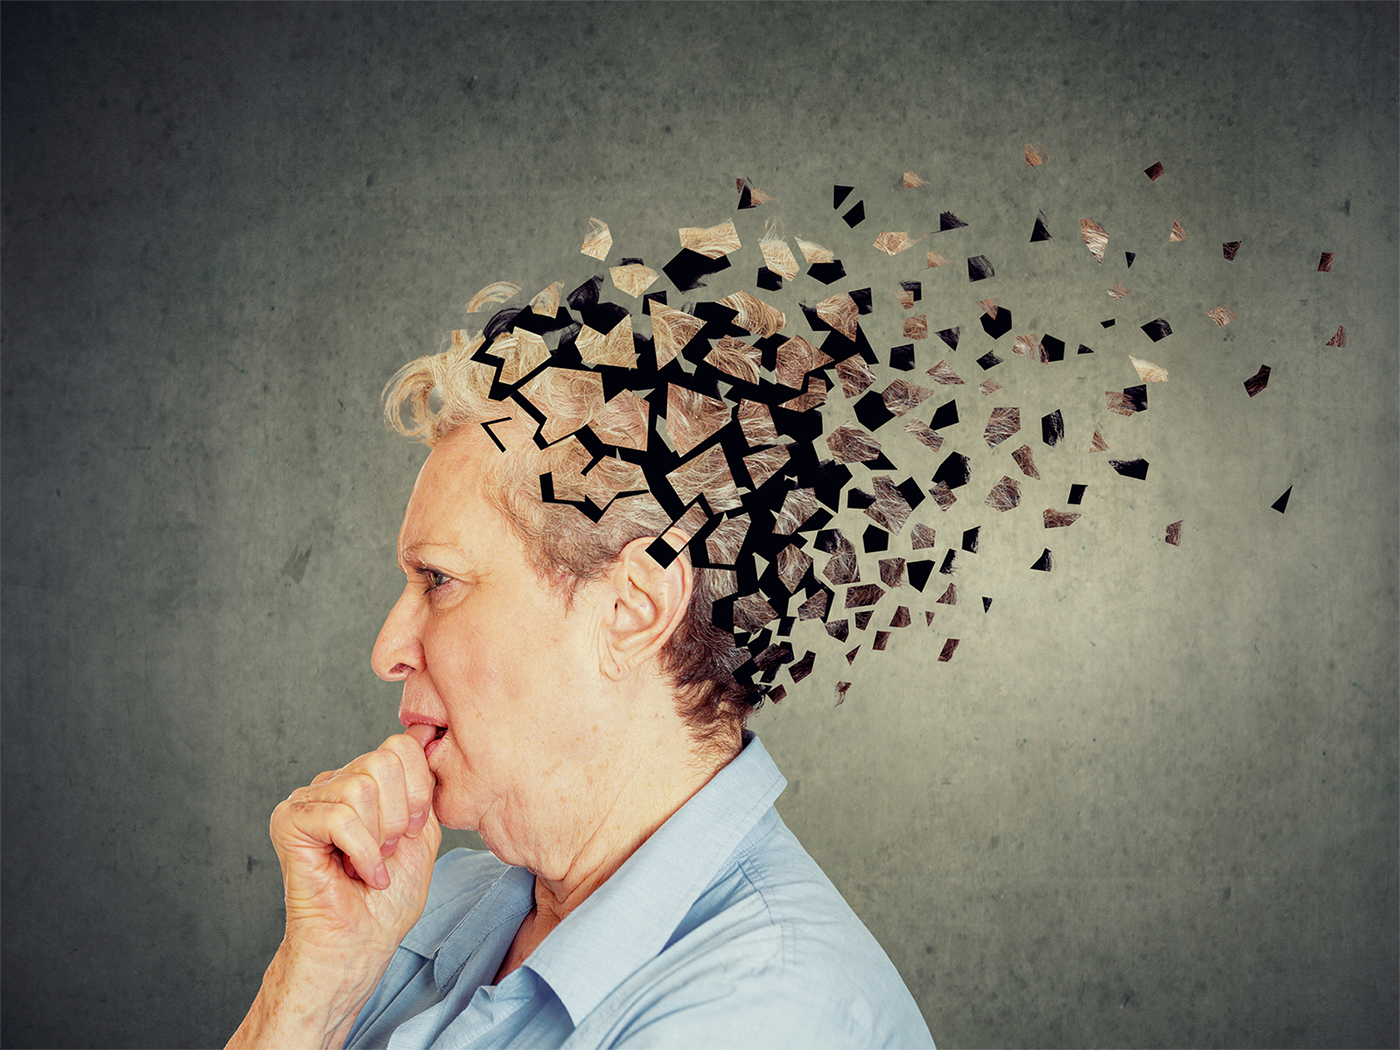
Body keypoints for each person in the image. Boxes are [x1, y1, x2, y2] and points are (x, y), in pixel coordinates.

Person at [226, 288, 937, 1049]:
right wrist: (313, 989)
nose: (387, 650)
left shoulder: (770, 1012)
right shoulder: (413, 912)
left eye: (439, 581)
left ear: (631, 608)